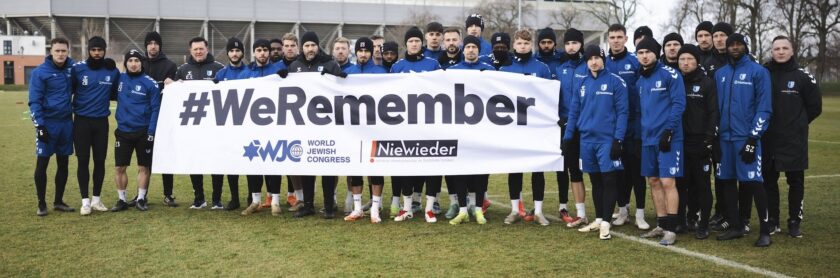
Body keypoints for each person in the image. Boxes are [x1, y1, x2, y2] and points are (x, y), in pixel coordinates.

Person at [713, 33, 773, 247]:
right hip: (725, 139)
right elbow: (715, 109)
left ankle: (765, 231)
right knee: (727, 181)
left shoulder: (759, 72)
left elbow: (764, 108)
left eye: (739, 44)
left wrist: (752, 138)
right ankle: (736, 226)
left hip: (746, 138)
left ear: (746, 47)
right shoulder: (720, 73)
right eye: (731, 45)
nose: (735, 47)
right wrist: (716, 137)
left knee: (754, 182)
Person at [565, 44, 628, 240]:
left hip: (606, 139)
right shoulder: (582, 83)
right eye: (590, 59)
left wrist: (618, 139)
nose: (593, 62)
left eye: (597, 58)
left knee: (609, 178)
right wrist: (568, 137)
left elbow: (623, 113)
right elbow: (574, 112)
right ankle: (599, 218)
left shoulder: (616, 82)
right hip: (586, 140)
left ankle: (607, 223)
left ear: (603, 59)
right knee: (594, 180)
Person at [763, 35, 822, 238]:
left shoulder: (803, 76)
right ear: (772, 51)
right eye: (776, 48)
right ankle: (773, 222)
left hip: (793, 139)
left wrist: (797, 124)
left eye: (784, 48)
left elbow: (815, 107)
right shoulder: (764, 73)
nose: (780, 51)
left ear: (792, 50)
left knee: (795, 181)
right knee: (768, 181)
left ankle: (794, 222)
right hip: (768, 138)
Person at [286, 31, 345, 219]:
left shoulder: (329, 63)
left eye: (313, 45)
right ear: (301, 48)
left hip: (326, 124)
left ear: (318, 46)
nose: (310, 49)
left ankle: (329, 206)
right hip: (304, 124)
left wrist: (340, 78)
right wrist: (282, 79)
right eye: (306, 45)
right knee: (307, 166)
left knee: (327, 166)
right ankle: (308, 205)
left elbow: (341, 90)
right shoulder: (295, 66)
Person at [635, 37, 686, 246]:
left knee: (667, 181)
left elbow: (679, 103)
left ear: (656, 53)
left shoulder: (670, 74)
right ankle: (662, 224)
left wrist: (669, 131)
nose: (644, 56)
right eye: (640, 52)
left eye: (648, 52)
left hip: (668, 138)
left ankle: (672, 230)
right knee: (654, 181)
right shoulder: (640, 80)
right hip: (648, 139)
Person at [500, 29, 552, 226]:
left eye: (526, 43)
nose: (522, 46)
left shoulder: (542, 68)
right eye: (519, 43)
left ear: (532, 45)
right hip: (513, 127)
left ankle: (538, 211)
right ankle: (515, 209)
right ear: (514, 45)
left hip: (536, 127)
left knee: (537, 169)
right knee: (515, 168)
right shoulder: (505, 70)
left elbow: (549, 97)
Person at [390, 26, 441, 223]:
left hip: (429, 124)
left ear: (422, 43)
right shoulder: (398, 66)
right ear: (406, 44)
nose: (414, 44)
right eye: (411, 41)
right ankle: (407, 208)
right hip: (406, 125)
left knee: (433, 165)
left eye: (417, 41)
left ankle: (429, 208)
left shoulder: (433, 64)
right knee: (407, 166)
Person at [446, 35, 494, 226]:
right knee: (460, 169)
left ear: (478, 50)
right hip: (459, 128)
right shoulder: (452, 71)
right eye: (468, 47)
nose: (471, 50)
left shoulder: (490, 70)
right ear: (462, 49)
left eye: (475, 47)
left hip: (483, 127)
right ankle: (463, 210)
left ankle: (479, 209)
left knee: (481, 170)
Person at [604, 24, 649, 230]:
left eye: (619, 37)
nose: (615, 40)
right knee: (619, 172)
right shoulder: (602, 63)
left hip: (634, 125)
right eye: (612, 37)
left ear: (625, 38)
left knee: (637, 171)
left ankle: (640, 213)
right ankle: (622, 210)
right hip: (612, 127)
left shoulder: (634, 61)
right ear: (608, 39)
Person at [173, 36, 225, 209]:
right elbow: (174, 95)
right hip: (192, 126)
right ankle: (199, 198)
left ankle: (217, 199)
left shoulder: (219, 69)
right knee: (194, 160)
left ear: (207, 49)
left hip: (215, 126)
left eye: (201, 48)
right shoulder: (182, 70)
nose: (198, 51)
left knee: (216, 161)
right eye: (195, 49)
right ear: (190, 51)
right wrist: (173, 85)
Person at [71, 36, 120, 215]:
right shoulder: (77, 69)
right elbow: (68, 89)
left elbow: (116, 93)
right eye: (94, 50)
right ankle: (85, 202)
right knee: (83, 161)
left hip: (101, 122)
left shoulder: (112, 71)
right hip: (82, 122)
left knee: (99, 161)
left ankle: (96, 200)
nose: (97, 53)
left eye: (100, 50)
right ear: (89, 51)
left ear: (104, 50)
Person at [239, 38, 288, 216]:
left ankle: (275, 201)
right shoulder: (246, 72)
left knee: (273, 163)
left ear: (269, 52)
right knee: (253, 163)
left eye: (265, 50)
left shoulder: (279, 71)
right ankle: (255, 201)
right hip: (251, 127)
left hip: (273, 126)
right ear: (254, 52)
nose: (262, 53)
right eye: (258, 50)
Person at [343, 37, 388, 223]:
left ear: (371, 52)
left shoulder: (381, 72)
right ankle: (357, 208)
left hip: (374, 127)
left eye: (366, 51)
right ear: (356, 52)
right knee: (356, 169)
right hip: (353, 129)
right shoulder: (347, 72)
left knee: (375, 168)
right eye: (360, 51)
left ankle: (375, 208)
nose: (363, 54)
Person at [29, 37, 76, 216]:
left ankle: (58, 201)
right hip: (48, 123)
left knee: (63, 162)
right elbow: (34, 101)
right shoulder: (40, 73)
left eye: (64, 50)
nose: (61, 54)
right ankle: (41, 203)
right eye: (57, 50)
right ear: (51, 51)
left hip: (66, 123)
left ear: (68, 51)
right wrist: (39, 126)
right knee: (43, 162)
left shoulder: (72, 69)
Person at [676, 44, 719, 239]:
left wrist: (709, 139)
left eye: (690, 59)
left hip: (700, 142)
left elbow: (713, 113)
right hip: (679, 142)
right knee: (681, 184)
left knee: (702, 185)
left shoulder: (707, 83)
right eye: (682, 59)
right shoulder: (675, 81)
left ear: (697, 61)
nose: (685, 63)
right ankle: (683, 221)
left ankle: (703, 224)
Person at [109, 49, 161, 212]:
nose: (133, 64)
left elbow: (155, 109)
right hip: (123, 131)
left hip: (143, 131)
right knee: (119, 168)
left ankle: (140, 198)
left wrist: (151, 132)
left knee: (143, 167)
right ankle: (122, 199)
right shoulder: (119, 79)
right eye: (130, 61)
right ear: (125, 63)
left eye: (136, 61)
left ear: (141, 63)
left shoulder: (150, 83)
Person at [555, 28, 588, 227]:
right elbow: (555, 99)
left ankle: (611, 212)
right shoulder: (561, 70)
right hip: (567, 127)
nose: (571, 46)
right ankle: (580, 212)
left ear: (580, 44)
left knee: (594, 171)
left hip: (586, 127)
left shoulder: (589, 66)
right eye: (568, 43)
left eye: (574, 43)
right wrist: (560, 118)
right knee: (572, 169)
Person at [142, 31, 179, 207]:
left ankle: (168, 194)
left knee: (166, 157)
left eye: (156, 43)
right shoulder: (138, 64)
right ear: (146, 46)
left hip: (165, 119)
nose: (153, 46)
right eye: (149, 43)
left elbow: (178, 91)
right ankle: (142, 194)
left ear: (160, 45)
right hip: (143, 119)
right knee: (144, 159)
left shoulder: (170, 66)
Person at [211, 37, 248, 211]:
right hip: (227, 126)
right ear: (228, 54)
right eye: (232, 51)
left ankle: (251, 196)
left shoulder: (250, 72)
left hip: (248, 124)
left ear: (242, 53)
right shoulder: (221, 75)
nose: (234, 54)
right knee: (231, 161)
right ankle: (234, 198)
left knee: (249, 160)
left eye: (237, 50)